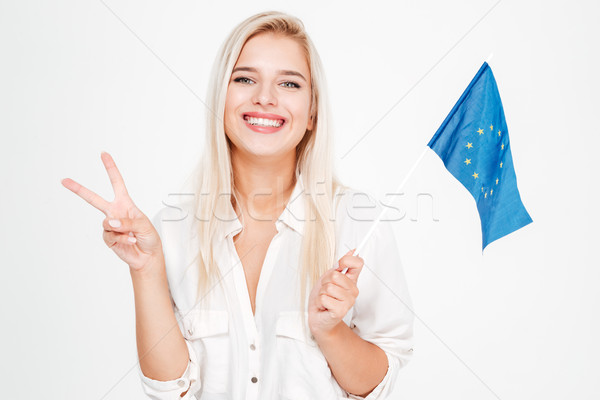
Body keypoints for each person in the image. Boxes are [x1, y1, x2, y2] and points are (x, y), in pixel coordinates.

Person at [61, 11, 414, 400]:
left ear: (312, 112)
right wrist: (145, 270)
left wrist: (331, 331)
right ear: (221, 98)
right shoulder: (172, 230)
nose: (265, 97)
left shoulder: (359, 224)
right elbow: (168, 390)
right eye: (245, 79)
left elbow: (376, 383)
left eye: (289, 83)